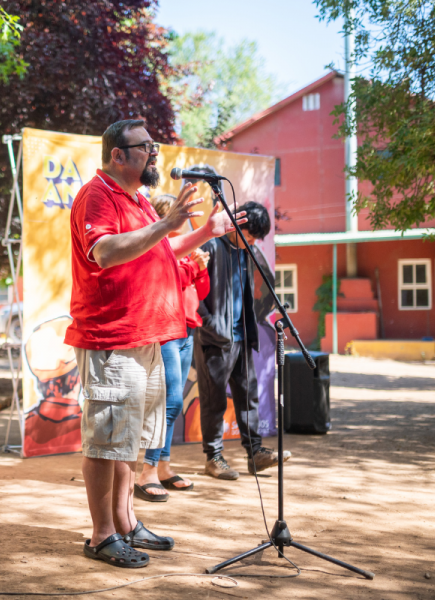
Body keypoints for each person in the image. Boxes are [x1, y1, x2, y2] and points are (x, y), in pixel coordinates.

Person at [66, 119, 245, 568]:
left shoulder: (139, 201)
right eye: (143, 147)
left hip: (144, 338)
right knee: (106, 442)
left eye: (153, 146)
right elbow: (106, 252)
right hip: (112, 338)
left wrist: (207, 231)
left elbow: (162, 250)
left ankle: (126, 523)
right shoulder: (98, 195)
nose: (153, 154)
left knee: (129, 443)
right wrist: (166, 222)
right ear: (117, 155)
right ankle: (101, 535)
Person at [194, 200, 289, 480]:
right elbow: (191, 293)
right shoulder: (211, 246)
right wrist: (212, 326)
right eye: (251, 234)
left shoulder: (247, 253)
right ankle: (213, 458)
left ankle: (255, 454)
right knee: (214, 402)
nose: (253, 241)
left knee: (248, 397)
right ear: (238, 224)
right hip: (215, 339)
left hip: (242, 337)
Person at [135, 194, 211, 501]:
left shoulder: (188, 251)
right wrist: (194, 267)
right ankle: (148, 471)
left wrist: (201, 268)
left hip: (187, 329)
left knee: (174, 403)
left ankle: (163, 467)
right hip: (165, 331)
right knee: (169, 403)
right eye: (181, 215)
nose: (187, 221)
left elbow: (200, 290)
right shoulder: (158, 248)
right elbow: (167, 279)